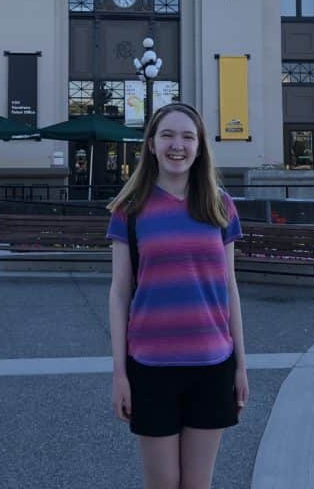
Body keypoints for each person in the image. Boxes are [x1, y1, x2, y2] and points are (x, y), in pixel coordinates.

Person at [106, 102, 247, 489]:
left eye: (188, 136)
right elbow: (119, 294)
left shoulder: (220, 206)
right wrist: (119, 373)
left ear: (200, 147)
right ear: (151, 144)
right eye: (167, 135)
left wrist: (240, 365)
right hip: (151, 368)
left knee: (198, 485)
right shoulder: (129, 209)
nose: (177, 145)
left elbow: (229, 287)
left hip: (212, 364)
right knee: (163, 484)